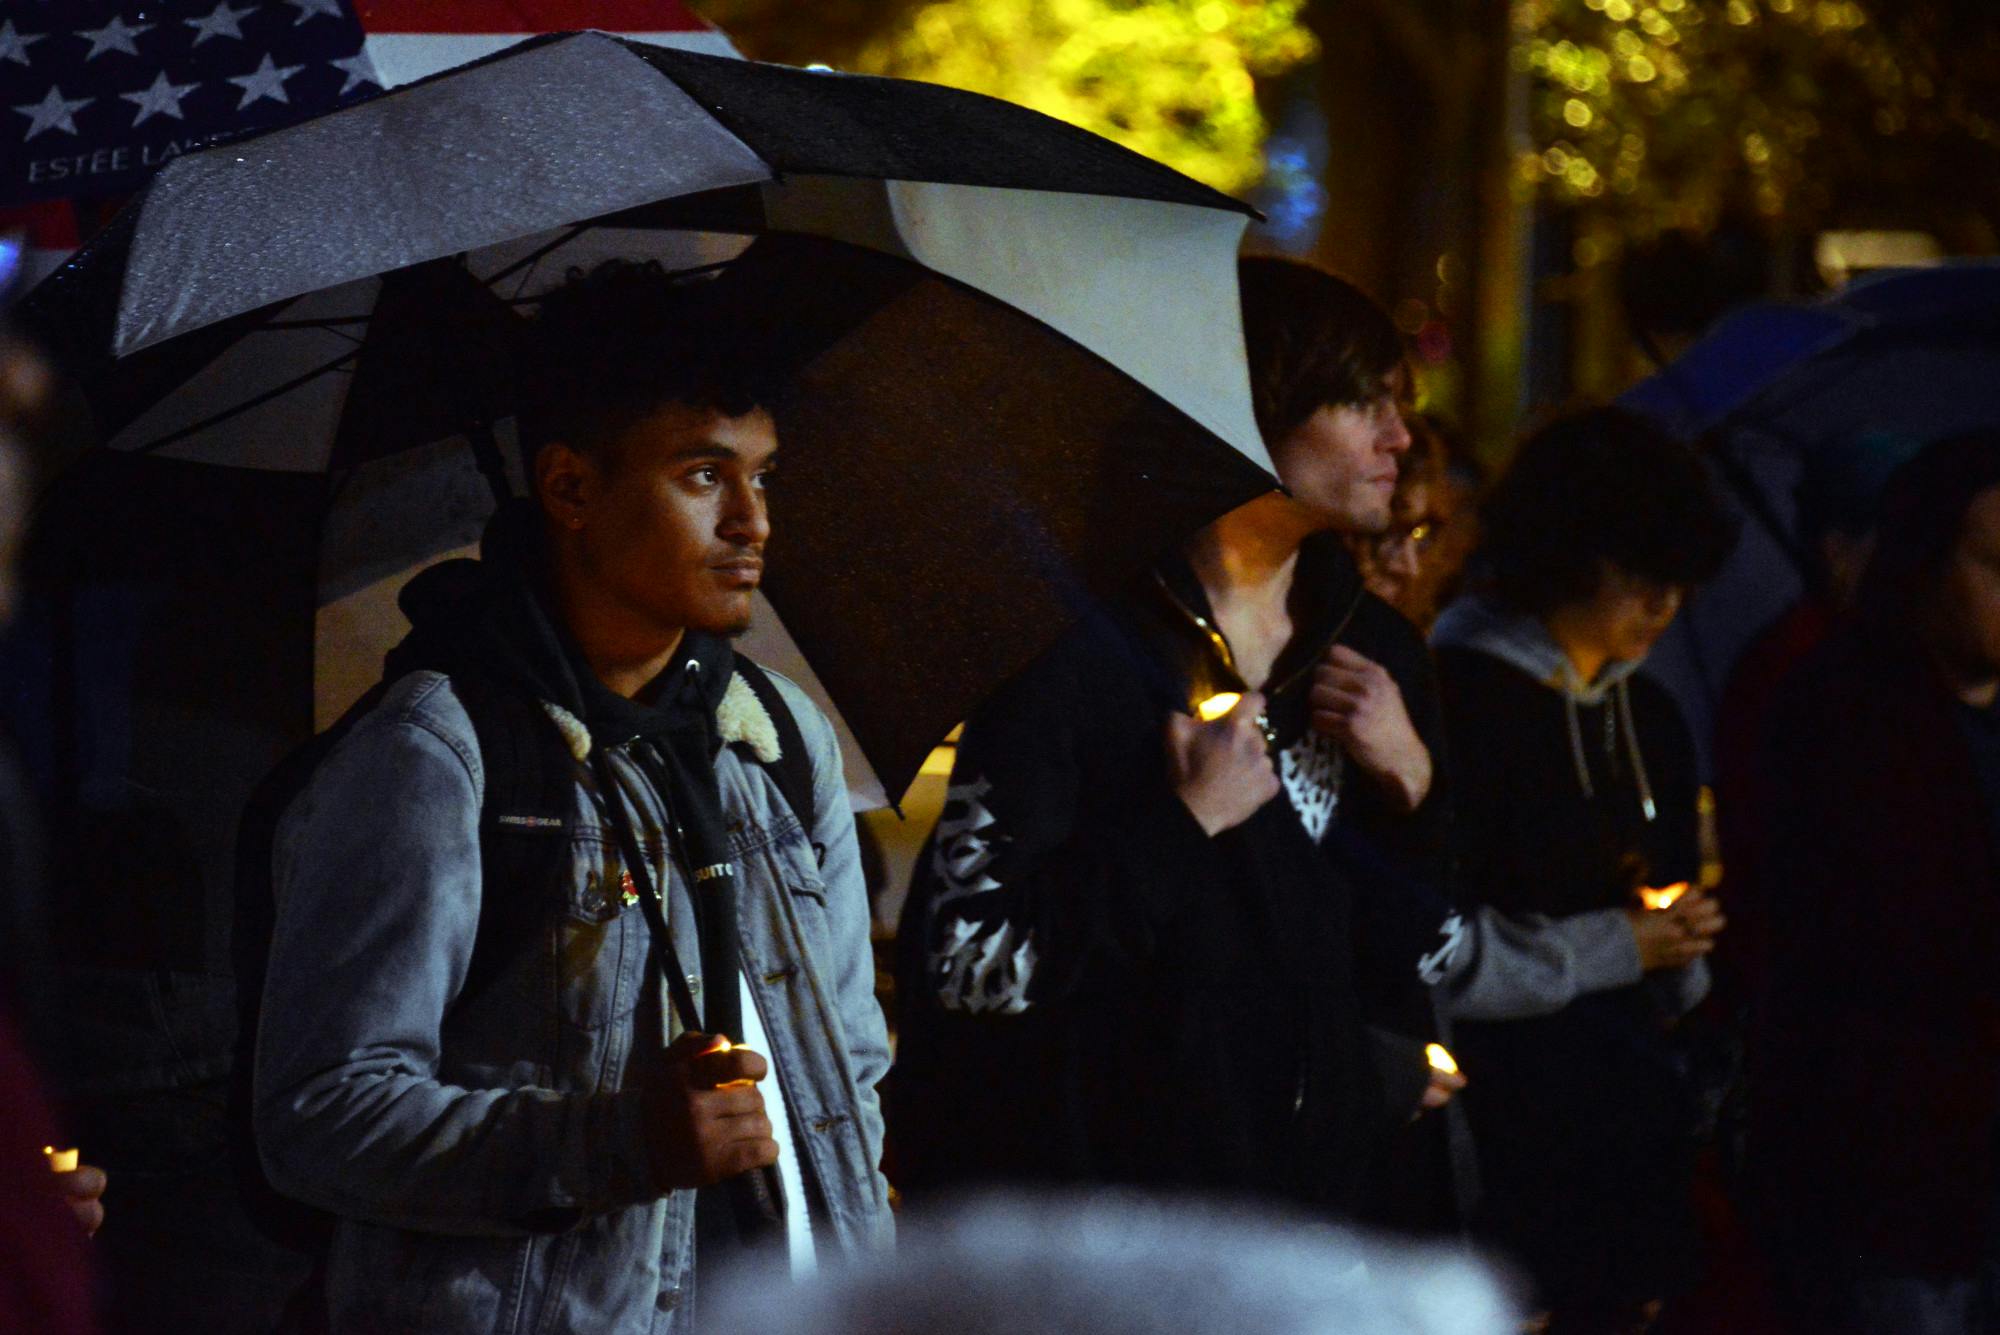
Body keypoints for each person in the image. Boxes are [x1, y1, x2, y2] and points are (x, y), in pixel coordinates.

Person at [252, 260, 892, 1332]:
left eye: (763, 476)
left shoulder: (776, 737)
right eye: (703, 476)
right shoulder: (440, 757)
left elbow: (852, 1066)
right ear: (570, 490)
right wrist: (619, 1144)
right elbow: (321, 1114)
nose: (752, 523)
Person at [889, 256, 1463, 1219]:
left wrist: (1415, 786)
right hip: (1115, 1238)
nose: (1399, 438)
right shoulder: (1076, 646)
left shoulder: (1376, 654)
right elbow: (968, 962)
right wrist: (1181, 823)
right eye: (1364, 403)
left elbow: (1433, 952)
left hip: (1322, 1225)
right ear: (1251, 407)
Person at [1429, 407, 1735, 1332]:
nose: (1662, 605)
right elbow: (1432, 949)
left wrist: (1681, 946)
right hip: (1505, 1156)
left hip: (1631, 1146)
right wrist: (1621, 943)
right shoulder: (1460, 704)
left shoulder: (1651, 715)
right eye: (1639, 575)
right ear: (1567, 553)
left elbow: (1670, 937)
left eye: (1677, 580)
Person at [1746, 434, 2000, 1335]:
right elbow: (1863, 935)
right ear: (1925, 566)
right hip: (1897, 1177)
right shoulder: (1840, 710)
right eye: (1993, 563)